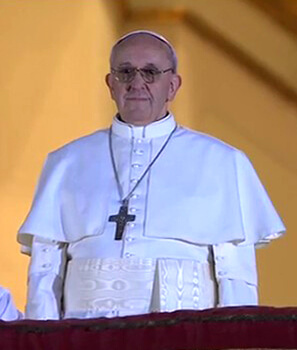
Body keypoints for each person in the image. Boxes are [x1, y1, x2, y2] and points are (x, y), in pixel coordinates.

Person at [18, 30, 285, 320]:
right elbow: (45, 274)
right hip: (84, 336)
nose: (136, 83)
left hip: (183, 338)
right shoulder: (66, 162)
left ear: (172, 86)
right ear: (110, 84)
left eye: (150, 73)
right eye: (125, 72)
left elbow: (236, 279)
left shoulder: (223, 163)